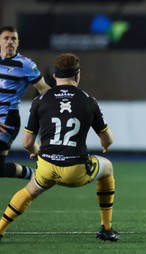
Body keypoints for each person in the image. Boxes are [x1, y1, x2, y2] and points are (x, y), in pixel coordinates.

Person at [0, 53, 119, 242]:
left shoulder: (40, 100)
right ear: (77, 76)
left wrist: (36, 153)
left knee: (29, 191)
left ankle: (1, 228)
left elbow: (27, 143)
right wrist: (106, 145)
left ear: (54, 76)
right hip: (75, 171)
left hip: (47, 167)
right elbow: (107, 138)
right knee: (108, 167)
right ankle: (107, 228)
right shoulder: (88, 100)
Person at [0, 25, 51, 180]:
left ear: (18, 42)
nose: (10, 42)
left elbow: (44, 89)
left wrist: (66, 97)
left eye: (13, 38)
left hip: (6, 121)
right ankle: (37, 176)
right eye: (6, 38)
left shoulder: (25, 64)